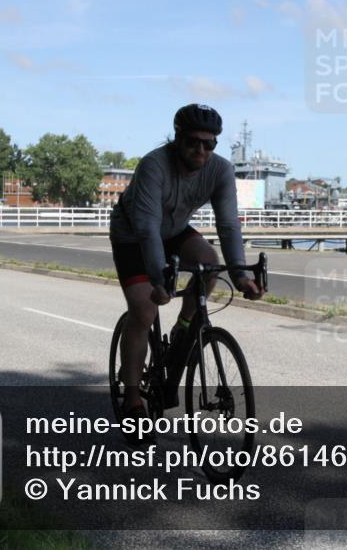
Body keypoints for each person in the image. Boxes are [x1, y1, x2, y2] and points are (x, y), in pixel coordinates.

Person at [109, 104, 264, 444]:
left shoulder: (220, 171)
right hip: (134, 235)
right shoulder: (154, 165)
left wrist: (240, 275)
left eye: (210, 144)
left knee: (209, 262)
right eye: (194, 142)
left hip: (174, 230)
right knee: (145, 310)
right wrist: (159, 280)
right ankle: (134, 398)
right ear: (177, 138)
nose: (201, 150)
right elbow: (148, 230)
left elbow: (227, 225)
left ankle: (183, 328)